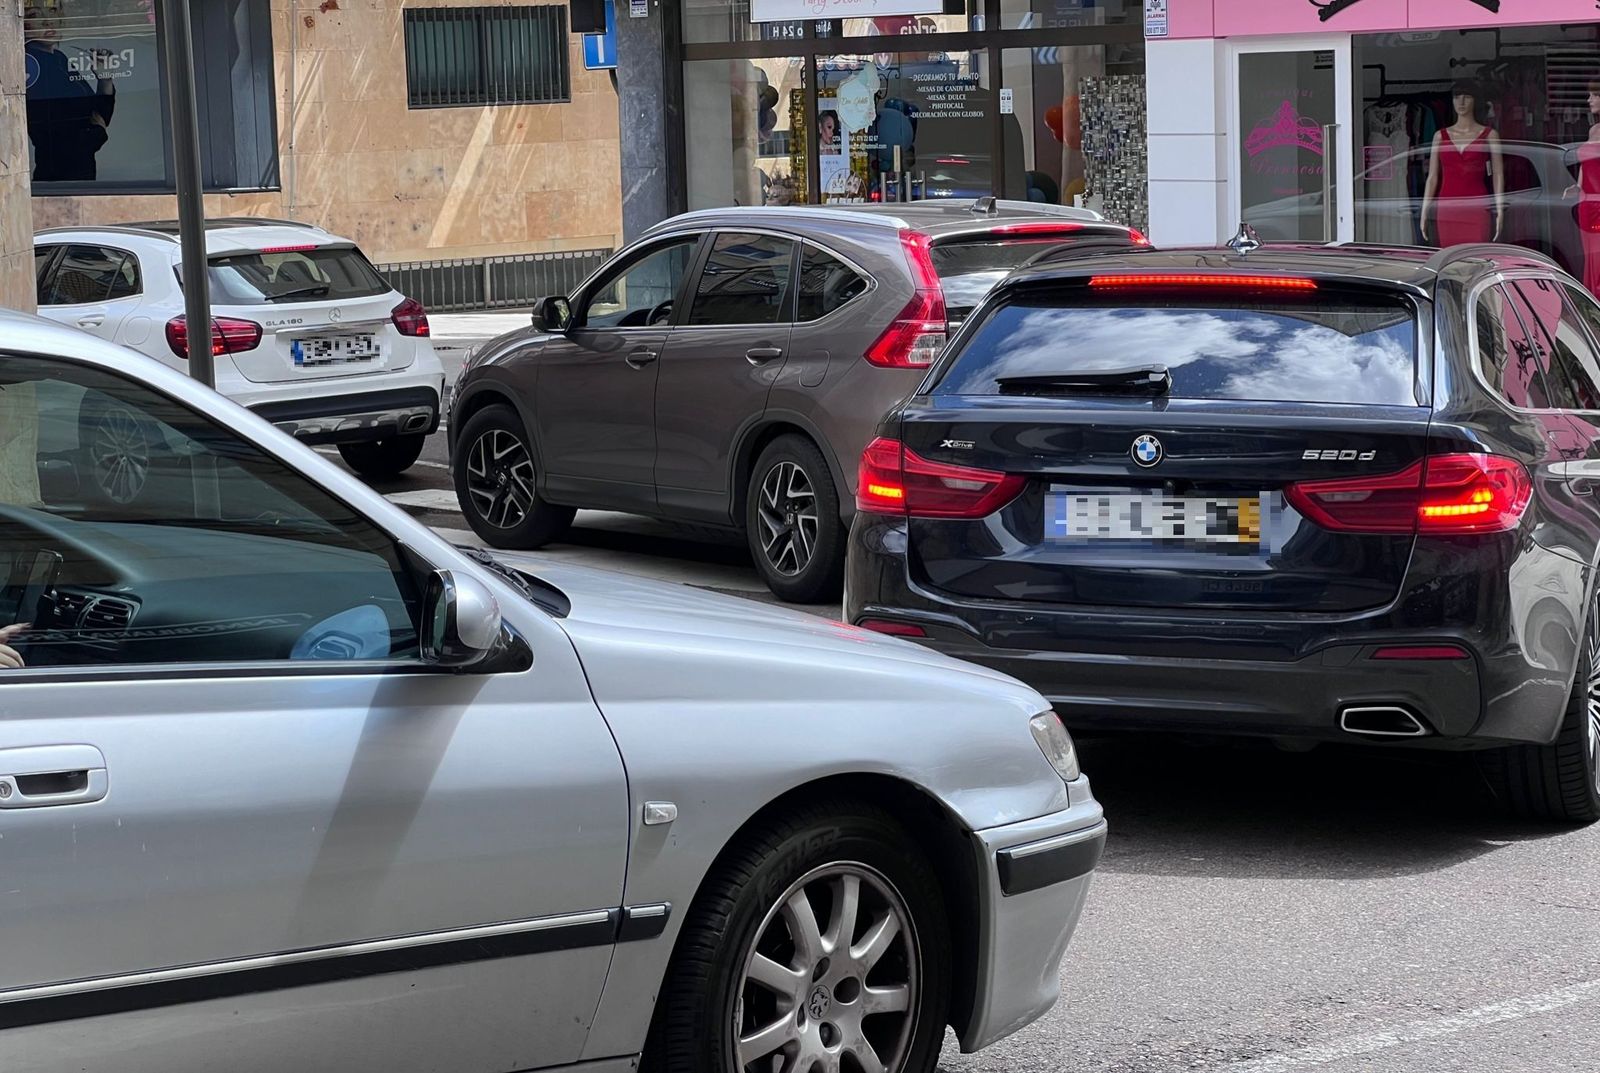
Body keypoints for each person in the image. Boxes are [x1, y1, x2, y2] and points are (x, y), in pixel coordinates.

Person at [24, 1, 117, 183]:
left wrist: (104, 79)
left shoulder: (58, 58)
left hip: (78, 174)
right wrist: (96, 132)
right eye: (34, 15)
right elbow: (50, 133)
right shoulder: (32, 65)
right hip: (60, 178)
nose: (47, 21)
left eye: (52, 11)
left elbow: (99, 114)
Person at [1421, 80, 1504, 247]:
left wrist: (1500, 209)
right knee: (1450, 255)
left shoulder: (1489, 135)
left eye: (1467, 97)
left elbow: (1498, 174)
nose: (1461, 102)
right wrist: (1424, 210)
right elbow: (1432, 177)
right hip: (1447, 208)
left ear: (1475, 100)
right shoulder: (1440, 136)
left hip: (1477, 206)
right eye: (1457, 97)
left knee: (1476, 254)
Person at [1564, 81, 1600, 298]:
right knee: (1590, 256)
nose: (1589, 100)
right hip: (1586, 204)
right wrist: (1576, 186)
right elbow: (1586, 165)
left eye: (1595, 95)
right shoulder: (1593, 130)